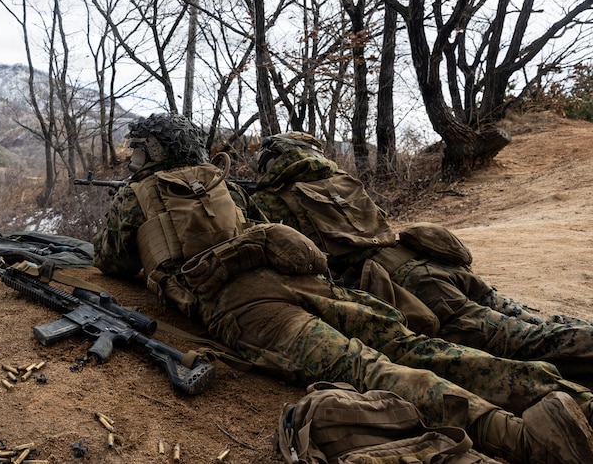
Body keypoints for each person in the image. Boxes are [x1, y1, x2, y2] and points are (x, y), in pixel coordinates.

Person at [93, 112, 593, 464]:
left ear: (153, 150)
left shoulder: (136, 195)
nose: (130, 156)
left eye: (135, 147)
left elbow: (111, 259)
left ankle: (522, 440)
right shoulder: (222, 185)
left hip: (252, 310)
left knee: (370, 369)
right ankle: (562, 394)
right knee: (413, 346)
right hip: (308, 282)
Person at [250, 131, 593, 385]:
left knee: (523, 341)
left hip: (411, 286)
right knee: (528, 322)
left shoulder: (270, 200)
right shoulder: (343, 181)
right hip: (434, 264)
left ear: (270, 163)